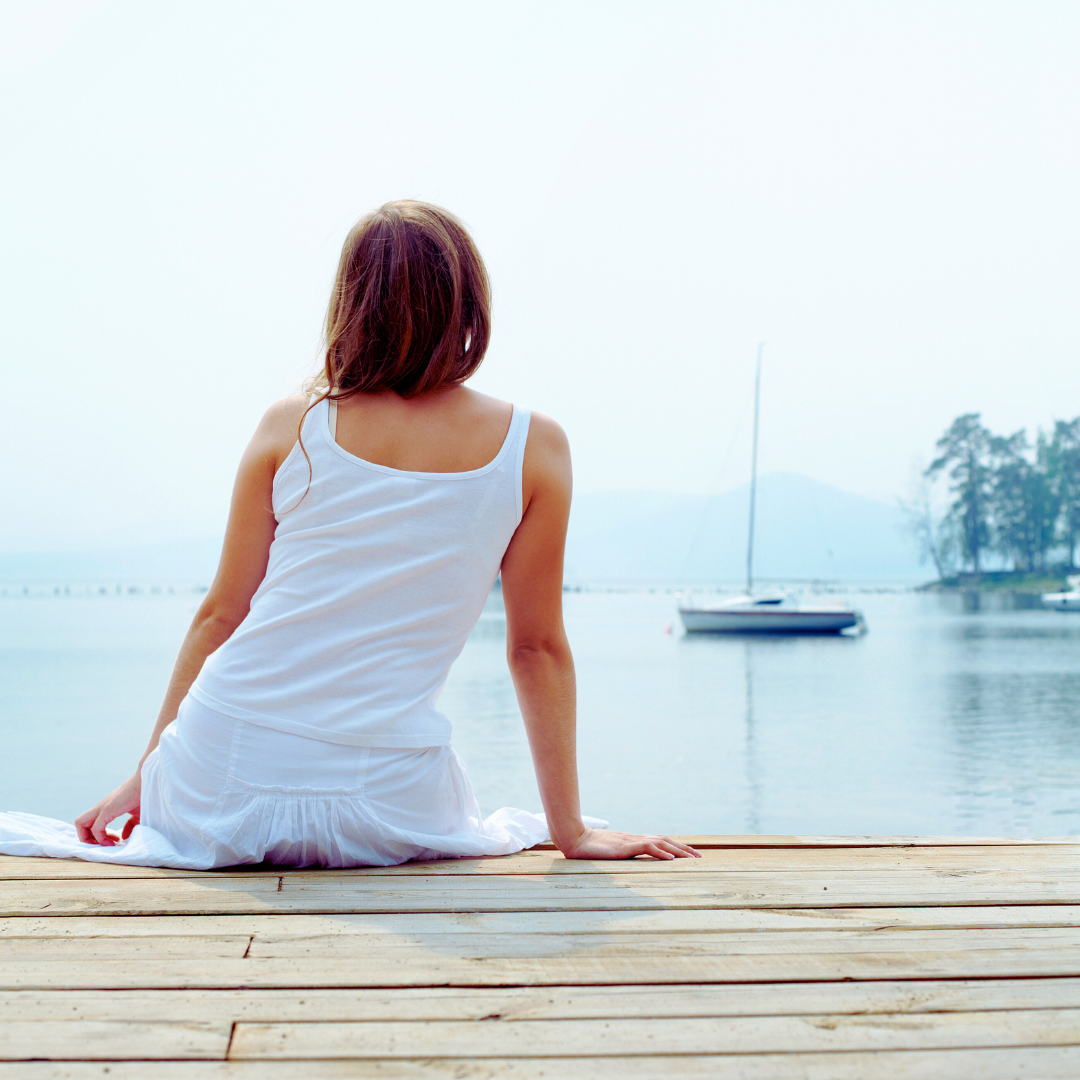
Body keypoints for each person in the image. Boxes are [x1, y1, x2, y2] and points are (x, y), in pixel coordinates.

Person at [0, 201, 699, 869]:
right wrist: (570, 831)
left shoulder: (292, 425)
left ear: (351, 302)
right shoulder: (534, 446)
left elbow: (221, 615)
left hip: (223, 785)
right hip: (389, 804)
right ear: (469, 303)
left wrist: (145, 776)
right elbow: (536, 647)